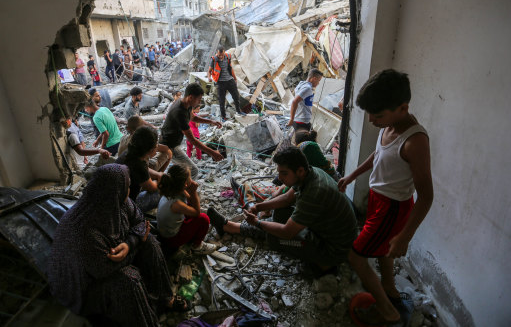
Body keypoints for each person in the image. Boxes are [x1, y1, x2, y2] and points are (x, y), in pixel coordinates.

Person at [337, 69, 433, 326]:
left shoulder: (415, 141)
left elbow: (426, 196)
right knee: (382, 252)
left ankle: (388, 314)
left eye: (377, 115)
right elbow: (378, 155)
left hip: (393, 208)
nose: (371, 121)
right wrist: (352, 175)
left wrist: (405, 236)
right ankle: (390, 291)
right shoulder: (389, 125)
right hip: (380, 200)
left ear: (403, 107)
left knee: (356, 256)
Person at [47, 164, 188, 327]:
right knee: (129, 280)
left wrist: (130, 243)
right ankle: (146, 320)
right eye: (128, 186)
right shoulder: (82, 230)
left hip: (111, 262)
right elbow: (102, 269)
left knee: (149, 241)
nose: (129, 190)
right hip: (84, 286)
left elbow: (140, 221)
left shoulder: (118, 201)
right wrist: (132, 246)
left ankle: (164, 298)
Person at [207, 147, 357, 273]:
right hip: (324, 228)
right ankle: (230, 226)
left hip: (333, 248)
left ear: (299, 170)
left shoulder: (314, 193)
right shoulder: (311, 172)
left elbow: (287, 232)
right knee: (280, 213)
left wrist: (258, 223)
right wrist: (259, 206)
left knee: (275, 237)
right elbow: (286, 198)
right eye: (279, 172)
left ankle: (324, 265)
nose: (279, 178)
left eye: (284, 173)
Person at [160, 83, 223, 179]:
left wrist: (211, 121)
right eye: (198, 99)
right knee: (193, 170)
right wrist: (213, 153)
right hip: (169, 145)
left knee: (182, 170)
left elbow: (193, 117)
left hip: (173, 142)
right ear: (190, 97)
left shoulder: (186, 104)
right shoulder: (179, 112)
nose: (199, 102)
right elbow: (192, 140)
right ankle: (182, 192)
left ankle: (179, 188)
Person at [156, 165, 217, 254]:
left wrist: (190, 192)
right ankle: (197, 246)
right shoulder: (176, 204)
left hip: (166, 230)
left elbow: (190, 201)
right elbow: (196, 212)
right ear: (185, 184)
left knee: (190, 207)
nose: (192, 180)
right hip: (171, 239)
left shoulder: (171, 189)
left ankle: (191, 234)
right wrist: (193, 192)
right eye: (190, 178)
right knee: (204, 218)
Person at [116, 126, 163, 213]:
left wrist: (157, 174)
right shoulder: (138, 165)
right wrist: (160, 180)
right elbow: (152, 188)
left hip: (118, 197)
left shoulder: (130, 153)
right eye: (156, 144)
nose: (157, 146)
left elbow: (145, 170)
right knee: (165, 190)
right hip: (128, 205)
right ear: (151, 149)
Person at [207, 46, 245, 121]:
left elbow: (230, 68)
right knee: (221, 100)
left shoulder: (228, 57)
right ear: (217, 53)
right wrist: (209, 77)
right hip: (220, 82)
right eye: (219, 55)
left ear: (224, 52)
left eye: (222, 55)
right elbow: (209, 71)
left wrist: (234, 78)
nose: (220, 56)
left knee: (236, 96)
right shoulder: (214, 59)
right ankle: (223, 116)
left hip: (230, 80)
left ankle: (239, 111)